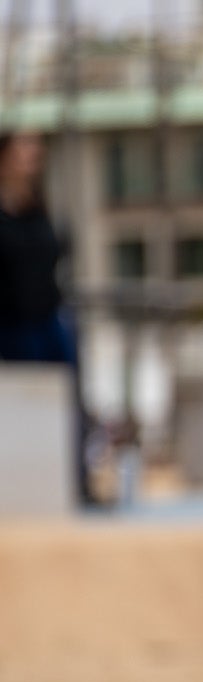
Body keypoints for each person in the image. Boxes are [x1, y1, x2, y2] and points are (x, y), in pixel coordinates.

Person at [0, 131, 94, 504]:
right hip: (10, 323)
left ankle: (75, 484)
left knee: (69, 403)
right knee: (23, 404)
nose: (32, 158)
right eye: (23, 151)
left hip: (49, 319)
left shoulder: (39, 207)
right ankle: (26, 488)